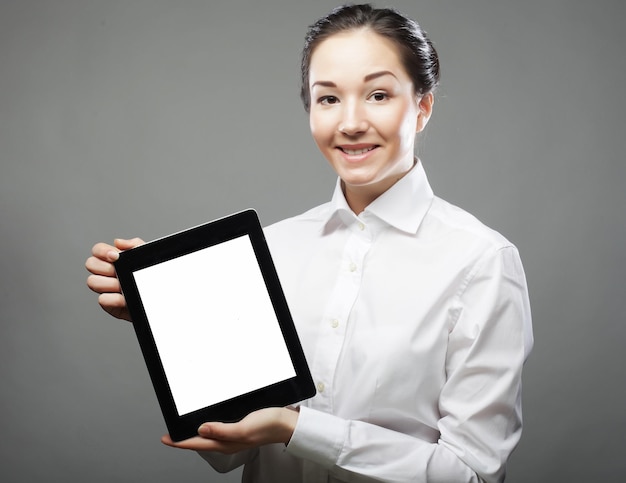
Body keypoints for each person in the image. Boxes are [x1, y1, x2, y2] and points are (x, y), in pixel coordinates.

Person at [86, 4, 533, 482]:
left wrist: (296, 427)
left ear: (422, 106)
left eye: (378, 94)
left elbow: (472, 474)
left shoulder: (481, 262)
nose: (351, 122)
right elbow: (229, 449)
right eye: (328, 99)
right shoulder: (271, 249)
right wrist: (172, 323)